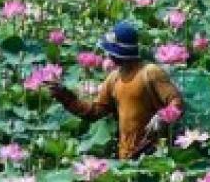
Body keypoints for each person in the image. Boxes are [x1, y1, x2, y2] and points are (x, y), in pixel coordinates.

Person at [44, 21, 183, 159]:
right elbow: (94, 112)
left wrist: (161, 118)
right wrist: (66, 97)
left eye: (110, 51)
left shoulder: (150, 73)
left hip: (154, 152)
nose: (108, 56)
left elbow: (176, 102)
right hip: (127, 155)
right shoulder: (113, 78)